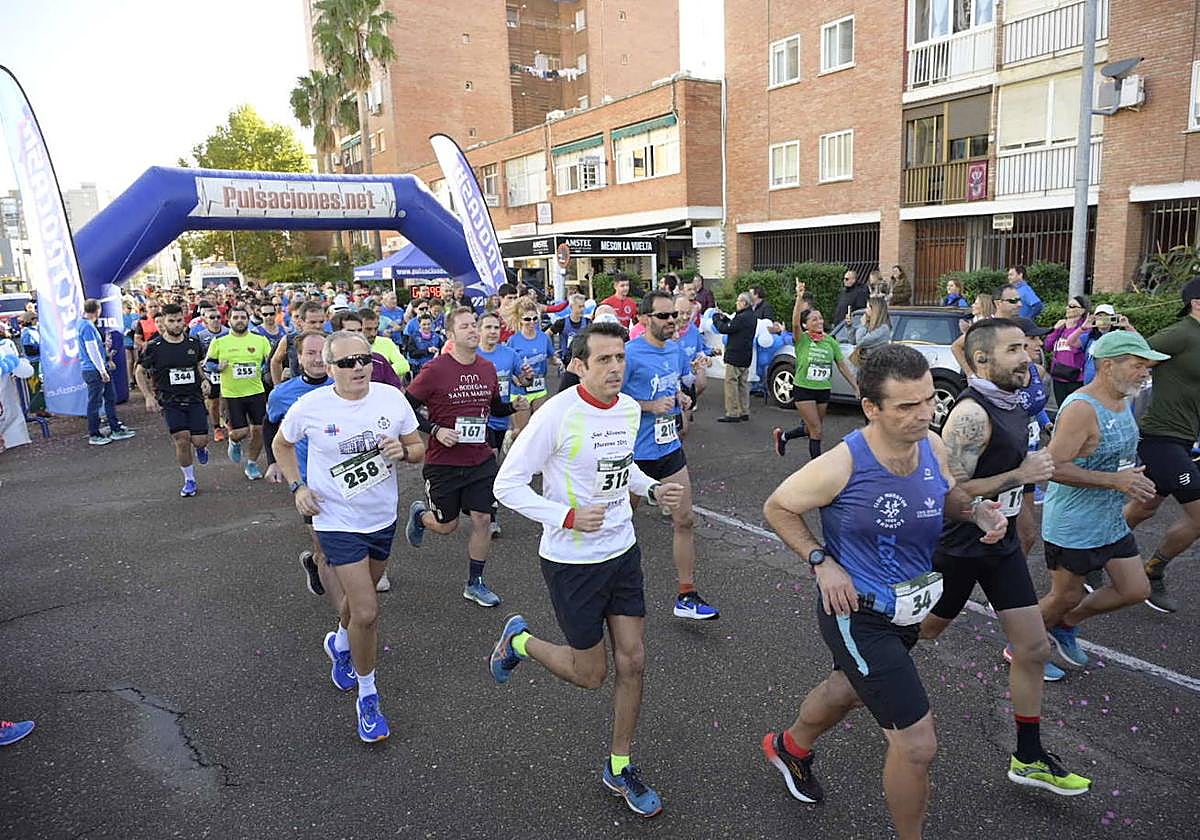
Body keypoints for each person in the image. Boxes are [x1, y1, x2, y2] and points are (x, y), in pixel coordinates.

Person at [760, 344, 1008, 840]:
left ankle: (790, 746)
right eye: (906, 407)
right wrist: (822, 562)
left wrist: (976, 512)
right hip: (857, 612)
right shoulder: (843, 462)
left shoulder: (932, 446)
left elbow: (947, 496)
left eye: (928, 401)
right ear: (871, 407)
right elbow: (778, 507)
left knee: (847, 689)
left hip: (908, 608)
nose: (924, 414)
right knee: (917, 745)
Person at [489, 321, 685, 819]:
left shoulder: (624, 408)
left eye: (620, 357)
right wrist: (567, 516)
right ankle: (519, 642)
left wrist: (651, 490)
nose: (616, 367)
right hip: (572, 561)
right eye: (604, 359)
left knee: (634, 661)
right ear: (578, 365)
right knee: (590, 674)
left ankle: (619, 766)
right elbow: (507, 485)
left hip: (623, 550)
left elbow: (624, 465)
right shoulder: (556, 416)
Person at [923, 318, 1090, 794]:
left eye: (1029, 347)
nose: (1029, 356)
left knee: (1033, 648)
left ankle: (1029, 755)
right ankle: (863, 666)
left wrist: (1021, 512)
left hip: (1002, 544)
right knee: (921, 634)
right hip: (958, 546)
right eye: (1015, 349)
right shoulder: (973, 413)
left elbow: (1021, 471)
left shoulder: (1017, 399)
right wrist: (1018, 477)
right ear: (981, 360)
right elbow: (949, 492)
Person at [274, 331, 424, 743]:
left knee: (359, 609)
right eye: (346, 362)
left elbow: (417, 448)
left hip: (381, 517)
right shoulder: (312, 406)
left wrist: (404, 452)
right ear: (329, 367)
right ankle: (369, 696)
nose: (358, 367)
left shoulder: (391, 398)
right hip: (335, 519)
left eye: (363, 359)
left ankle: (339, 642)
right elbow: (281, 445)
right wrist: (298, 487)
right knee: (368, 611)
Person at [1037, 331, 1164, 669]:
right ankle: (1023, 647)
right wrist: (1114, 481)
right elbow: (1052, 467)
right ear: (1109, 366)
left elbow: (1114, 456)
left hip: (1109, 520)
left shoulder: (1124, 399)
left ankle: (1066, 624)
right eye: (1139, 366)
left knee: (1135, 589)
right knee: (1064, 595)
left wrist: (1133, 478)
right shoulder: (1081, 409)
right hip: (1073, 525)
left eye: (1148, 367)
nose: (1145, 373)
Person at [404, 308, 527, 607]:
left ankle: (475, 582)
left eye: (475, 324)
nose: (473, 330)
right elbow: (404, 407)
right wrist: (434, 429)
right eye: (465, 326)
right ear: (451, 334)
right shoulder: (434, 370)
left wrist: (514, 406)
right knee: (447, 526)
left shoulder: (486, 368)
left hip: (480, 458)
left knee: (483, 518)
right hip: (443, 463)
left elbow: (494, 407)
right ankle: (421, 515)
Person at [622, 291, 719, 620]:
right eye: (663, 317)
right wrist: (648, 406)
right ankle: (613, 587)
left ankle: (686, 594)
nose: (671, 322)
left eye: (673, 317)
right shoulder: (630, 355)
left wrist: (681, 398)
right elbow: (611, 401)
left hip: (668, 449)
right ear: (645, 319)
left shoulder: (676, 351)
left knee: (684, 519)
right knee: (620, 523)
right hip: (636, 454)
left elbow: (672, 385)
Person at [1123, 276, 1200, 613]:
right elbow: (1136, 357)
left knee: (1146, 506)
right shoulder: (1182, 333)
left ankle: (1089, 553)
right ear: (1197, 302)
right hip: (1160, 436)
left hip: (1184, 438)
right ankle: (1152, 571)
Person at [262, 331, 339, 600]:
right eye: (311, 353)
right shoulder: (283, 393)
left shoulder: (344, 386)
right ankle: (344, 615)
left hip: (346, 478)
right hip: (309, 481)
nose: (318, 359)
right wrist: (273, 463)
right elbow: (270, 424)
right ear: (299, 357)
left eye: (323, 353)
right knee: (327, 548)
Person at [773, 280, 858, 461]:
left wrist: (855, 386)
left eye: (820, 318)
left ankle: (783, 437)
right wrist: (799, 297)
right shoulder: (802, 339)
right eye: (814, 319)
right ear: (806, 325)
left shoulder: (830, 341)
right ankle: (816, 468)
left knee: (812, 427)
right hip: (803, 388)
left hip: (823, 390)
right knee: (817, 430)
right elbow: (794, 323)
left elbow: (842, 365)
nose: (819, 321)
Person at [135, 304, 210, 497]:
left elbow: (198, 365)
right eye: (171, 321)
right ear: (163, 322)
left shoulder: (193, 343)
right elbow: (139, 372)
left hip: (194, 398)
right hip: (170, 401)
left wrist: (204, 381)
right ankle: (190, 480)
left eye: (179, 321)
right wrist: (148, 396)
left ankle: (201, 448)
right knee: (182, 440)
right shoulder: (154, 347)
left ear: (184, 320)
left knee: (199, 440)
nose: (176, 325)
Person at [205, 305, 272, 480]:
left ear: (248, 320)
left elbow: (270, 361)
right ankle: (233, 441)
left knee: (258, 429)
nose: (240, 320)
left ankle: (251, 464)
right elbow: (208, 364)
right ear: (229, 320)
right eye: (236, 318)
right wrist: (217, 367)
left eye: (243, 317)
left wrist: (265, 369)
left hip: (256, 391)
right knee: (240, 432)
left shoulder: (260, 340)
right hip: (232, 394)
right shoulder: (220, 341)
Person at [477, 311, 526, 537]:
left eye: (496, 328)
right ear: (479, 331)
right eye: (488, 327)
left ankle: (485, 510)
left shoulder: (509, 354)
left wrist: (527, 376)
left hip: (500, 418)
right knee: (489, 465)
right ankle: (488, 515)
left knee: (489, 467)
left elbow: (524, 381)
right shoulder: (472, 355)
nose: (493, 332)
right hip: (477, 419)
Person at [77, 299, 135, 446]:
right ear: (98, 310)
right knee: (95, 402)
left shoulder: (84, 324)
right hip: (94, 369)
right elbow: (92, 350)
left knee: (109, 397)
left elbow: (94, 349)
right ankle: (94, 433)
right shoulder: (88, 327)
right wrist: (102, 370)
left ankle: (114, 427)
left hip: (95, 368)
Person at [507, 298, 560, 434]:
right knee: (522, 432)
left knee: (539, 429)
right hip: (520, 390)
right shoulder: (513, 340)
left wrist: (559, 363)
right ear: (520, 320)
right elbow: (509, 365)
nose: (532, 322)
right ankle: (510, 440)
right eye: (527, 319)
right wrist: (514, 378)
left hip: (539, 388)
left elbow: (551, 357)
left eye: (534, 318)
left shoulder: (544, 338)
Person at [712, 292, 757, 423]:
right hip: (746, 355)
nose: (736, 303)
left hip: (735, 356)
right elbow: (735, 326)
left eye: (738, 301)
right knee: (743, 384)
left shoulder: (742, 317)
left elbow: (724, 329)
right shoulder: (751, 316)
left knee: (731, 383)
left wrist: (716, 318)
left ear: (744, 303)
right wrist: (725, 317)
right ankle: (744, 411)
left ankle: (732, 412)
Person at [1070, 303, 1139, 385]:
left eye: (1106, 316)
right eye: (1099, 316)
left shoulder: (1119, 335)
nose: (1102, 319)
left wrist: (1127, 326)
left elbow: (1139, 342)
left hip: (1112, 383)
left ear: (1112, 318)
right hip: (1089, 383)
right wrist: (1083, 328)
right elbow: (1071, 342)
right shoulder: (1089, 337)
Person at [1042, 295, 1090, 404]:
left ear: (1082, 310)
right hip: (1058, 376)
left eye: (1072, 306)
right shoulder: (1061, 327)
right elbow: (1047, 346)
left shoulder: (1084, 328)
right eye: (1068, 306)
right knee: (1061, 408)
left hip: (1076, 378)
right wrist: (1055, 329)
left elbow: (1079, 348)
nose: (1068, 308)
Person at [192, 306, 229, 441]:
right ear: (205, 320)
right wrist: (203, 377)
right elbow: (199, 359)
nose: (215, 320)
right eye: (212, 318)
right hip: (210, 373)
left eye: (218, 317)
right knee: (213, 402)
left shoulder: (228, 332)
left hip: (226, 371)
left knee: (227, 398)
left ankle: (226, 420)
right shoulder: (200, 336)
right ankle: (216, 428)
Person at [271, 301, 326, 386]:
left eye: (321, 322)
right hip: (297, 392)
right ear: (301, 322)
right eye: (312, 322)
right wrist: (278, 387)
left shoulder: (331, 341)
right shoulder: (289, 340)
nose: (318, 326)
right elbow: (275, 362)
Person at [360, 307, 409, 380]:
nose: (373, 333)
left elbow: (404, 365)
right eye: (368, 329)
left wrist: (382, 372)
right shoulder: (349, 346)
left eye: (376, 329)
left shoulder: (386, 342)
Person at [847, 295, 893, 366]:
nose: (865, 310)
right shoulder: (869, 325)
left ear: (875, 310)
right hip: (864, 366)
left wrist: (863, 326)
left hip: (876, 367)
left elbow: (860, 342)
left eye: (868, 307)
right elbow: (852, 340)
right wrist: (849, 326)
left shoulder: (883, 329)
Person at [548, 293, 591, 367]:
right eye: (580, 307)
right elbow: (547, 334)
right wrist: (552, 351)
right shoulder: (562, 322)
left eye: (583, 306)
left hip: (584, 360)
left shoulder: (588, 322)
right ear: (571, 307)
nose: (582, 309)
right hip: (567, 361)